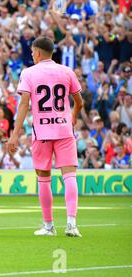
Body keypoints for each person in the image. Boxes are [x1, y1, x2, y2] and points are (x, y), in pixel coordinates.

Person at [7, 36, 84, 237]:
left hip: (42, 132)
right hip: (64, 131)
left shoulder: (29, 73)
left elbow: (24, 104)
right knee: (69, 177)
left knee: (44, 178)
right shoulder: (67, 71)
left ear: (39, 53)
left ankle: (49, 226)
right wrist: (73, 116)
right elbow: (79, 101)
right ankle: (72, 224)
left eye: (33, 52)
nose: (32, 55)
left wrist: (15, 134)